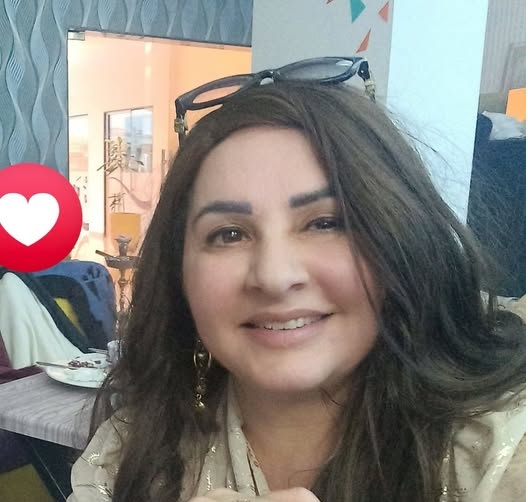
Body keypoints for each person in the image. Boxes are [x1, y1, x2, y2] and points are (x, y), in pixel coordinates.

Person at [67, 57, 525, 502]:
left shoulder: (500, 455)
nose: (275, 276)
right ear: (178, 274)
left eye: (325, 223)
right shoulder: (127, 451)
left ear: (402, 241)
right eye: (229, 234)